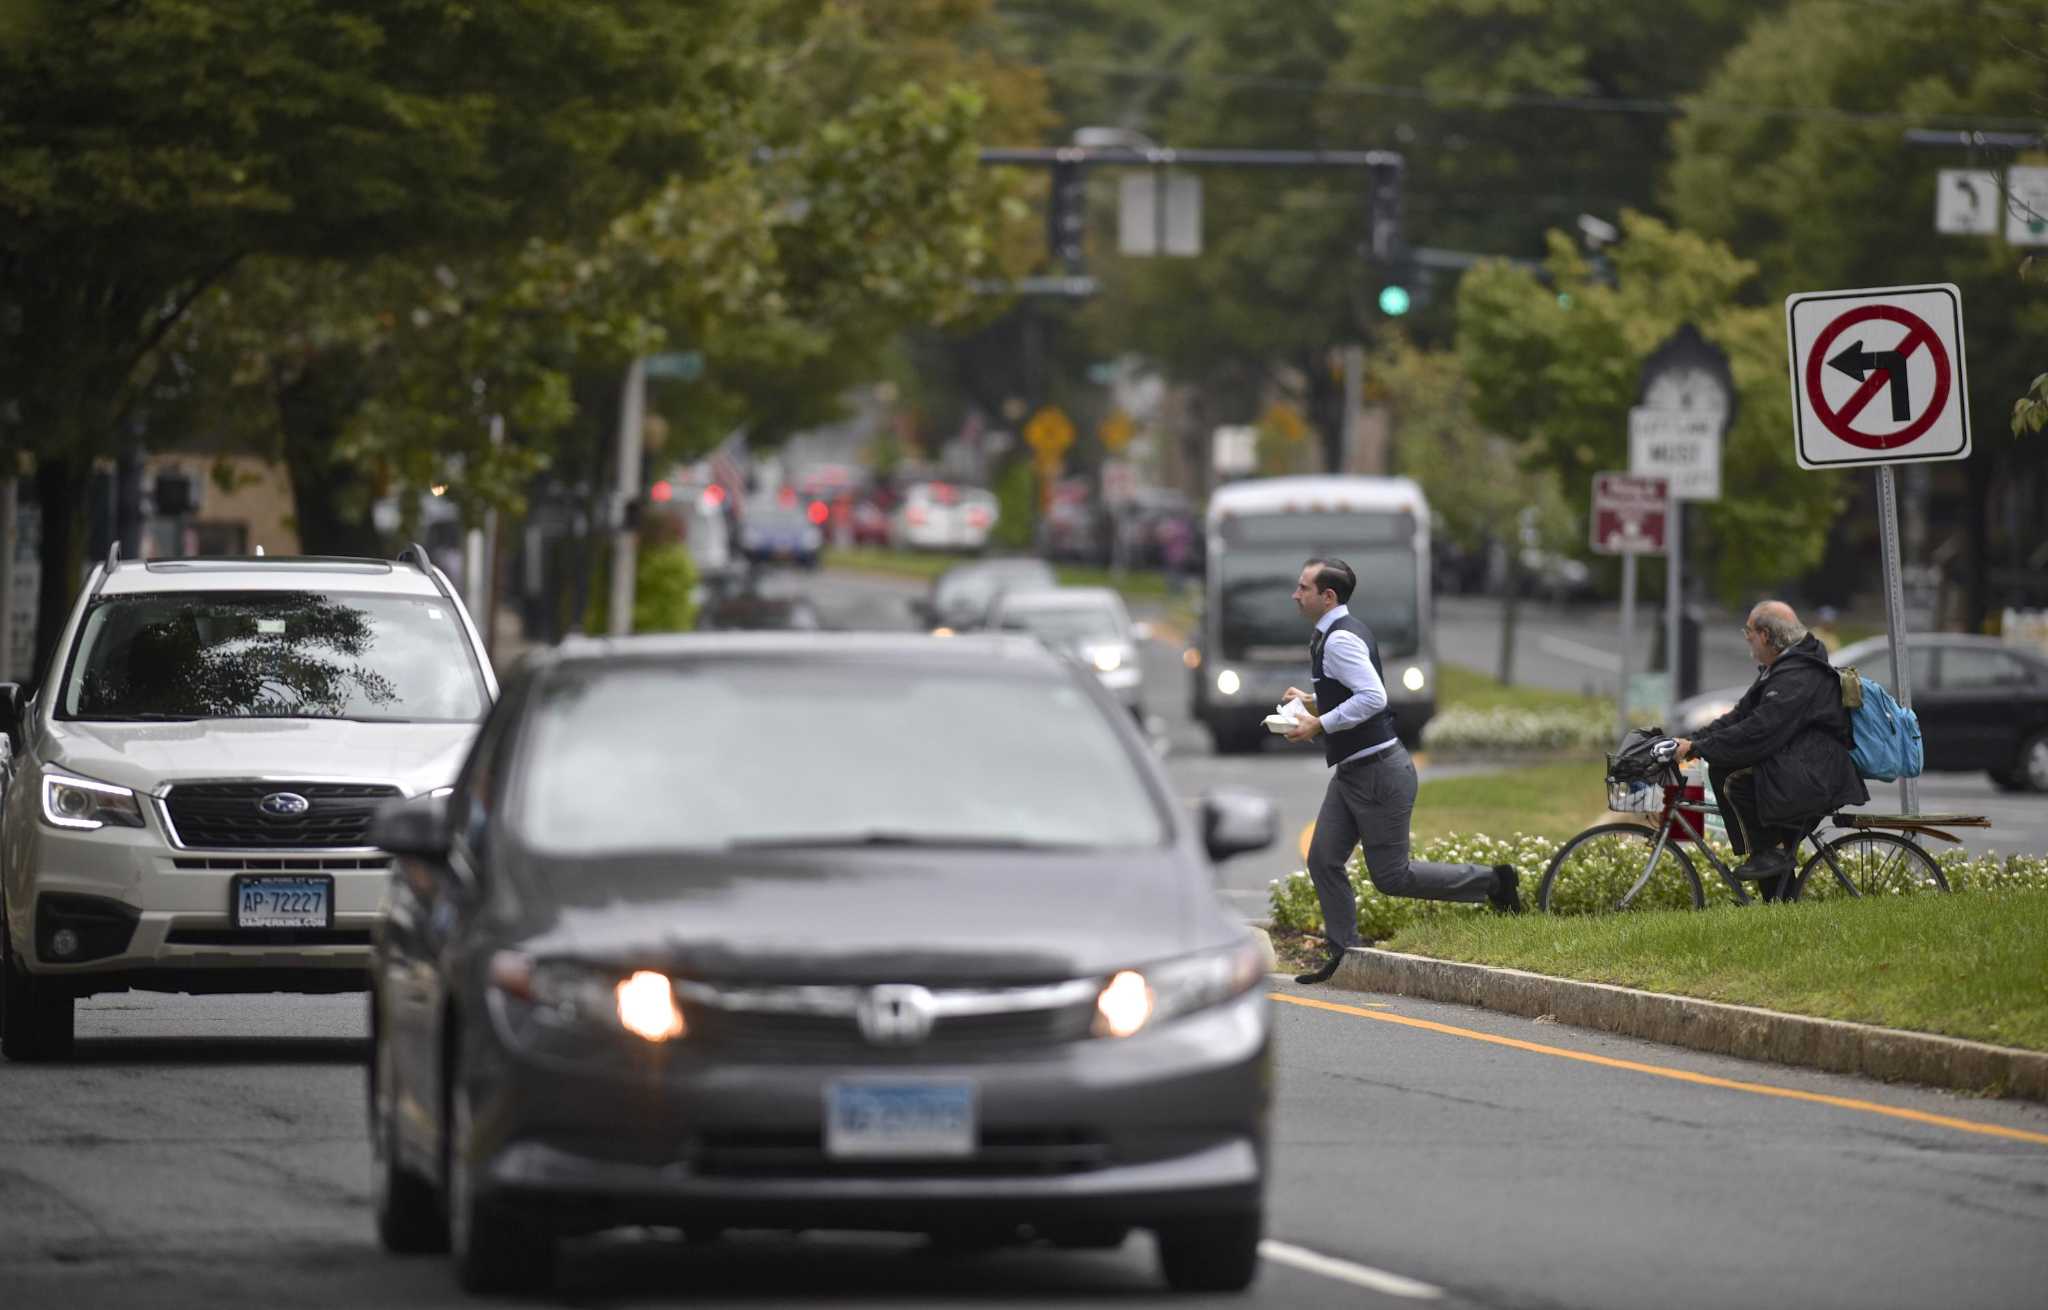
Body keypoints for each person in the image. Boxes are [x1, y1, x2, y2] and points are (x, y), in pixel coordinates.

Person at [1283, 558, 1521, 985]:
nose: (1295, 595)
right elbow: (1351, 694)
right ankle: (1345, 953)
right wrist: (1311, 700)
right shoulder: (1333, 634)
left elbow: (1373, 697)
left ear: (1328, 596)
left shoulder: (1339, 641)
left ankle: (1494, 883)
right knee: (1322, 859)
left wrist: (1318, 724)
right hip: (1354, 772)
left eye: (1303, 588)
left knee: (1392, 877)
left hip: (1378, 772)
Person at [1674, 600, 1867, 901]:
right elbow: (1740, 716)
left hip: (1814, 776)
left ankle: (1767, 851)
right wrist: (1691, 740)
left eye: (1748, 631)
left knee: (1730, 775)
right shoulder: (1781, 667)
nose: (1747, 638)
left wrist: (1700, 748)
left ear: (1764, 635)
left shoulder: (1798, 674)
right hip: (1799, 771)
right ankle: (1777, 899)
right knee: (1772, 865)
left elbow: (1761, 730)